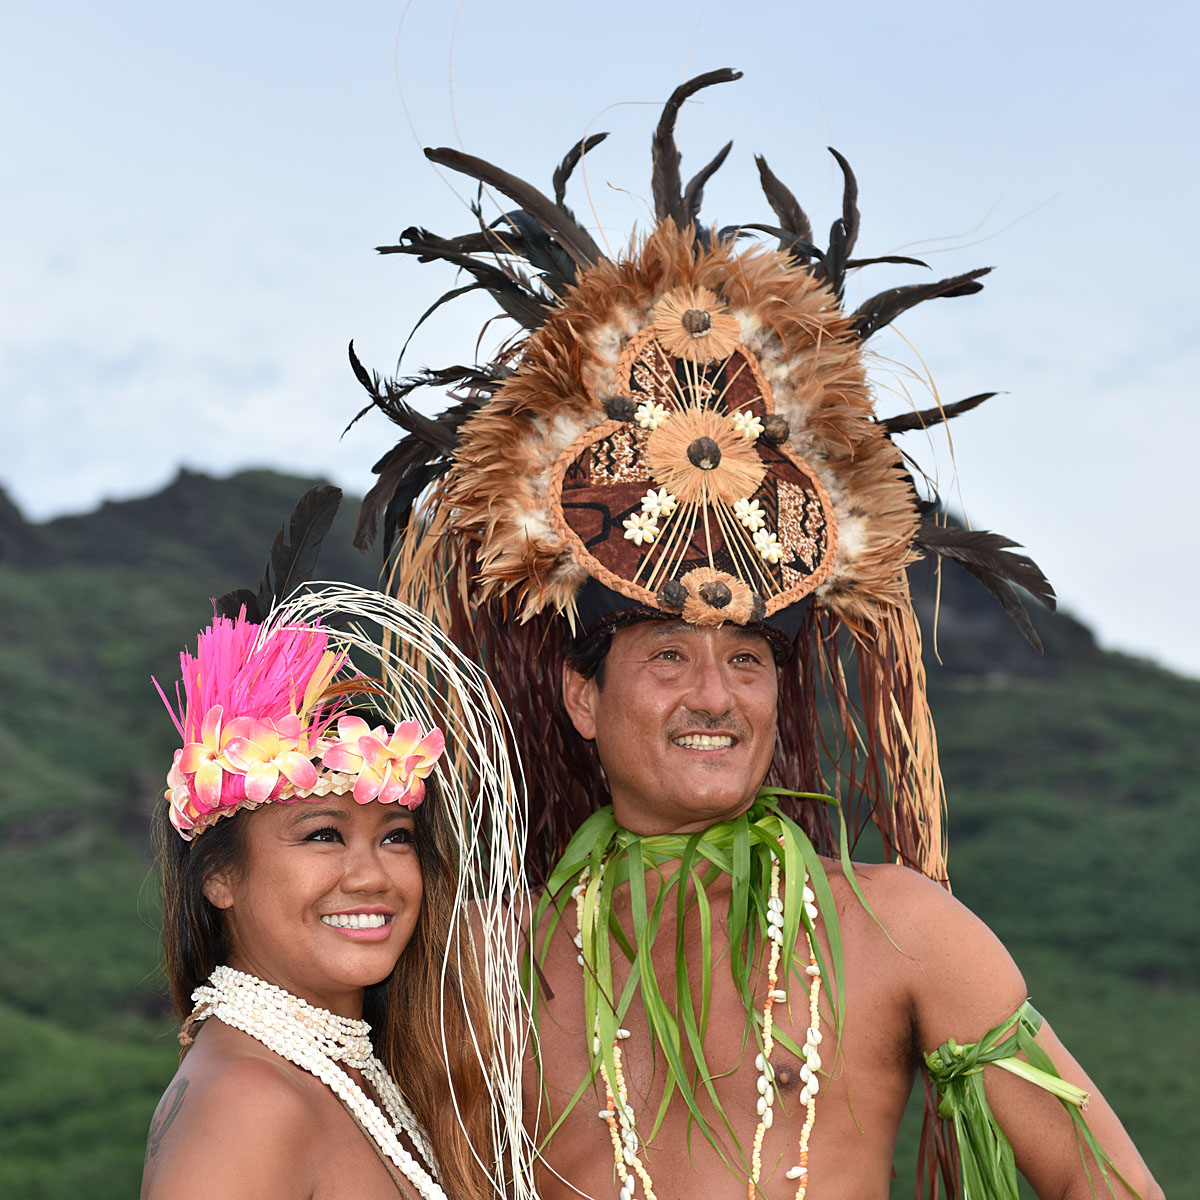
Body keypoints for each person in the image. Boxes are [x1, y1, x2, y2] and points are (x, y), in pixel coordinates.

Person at [349, 72, 1164, 1199]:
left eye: (746, 660)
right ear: (585, 696)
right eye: (667, 656)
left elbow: (1107, 1182)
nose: (714, 695)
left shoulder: (898, 927)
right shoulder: (478, 960)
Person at [140, 580, 530, 1200]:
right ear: (219, 876)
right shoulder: (250, 1101)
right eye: (323, 835)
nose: (373, 875)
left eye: (396, 837)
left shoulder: (355, 1074)